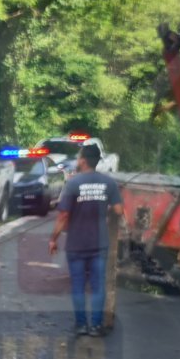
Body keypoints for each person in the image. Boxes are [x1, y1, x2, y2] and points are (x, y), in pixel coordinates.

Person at [49, 144, 123, 337]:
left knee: (78, 286)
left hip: (76, 244)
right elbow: (118, 211)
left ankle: (81, 325)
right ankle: (96, 326)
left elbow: (64, 215)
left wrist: (53, 239)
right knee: (98, 286)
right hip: (99, 244)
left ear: (83, 160)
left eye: (79, 157)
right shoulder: (109, 183)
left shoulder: (73, 184)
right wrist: (105, 207)